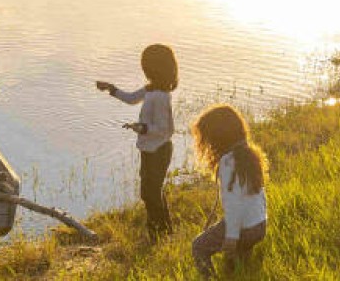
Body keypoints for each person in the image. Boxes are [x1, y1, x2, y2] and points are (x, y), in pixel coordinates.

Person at [96, 43, 178, 239]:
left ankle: (158, 234)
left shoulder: (160, 96)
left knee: (150, 193)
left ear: (153, 68)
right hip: (149, 149)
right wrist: (112, 89)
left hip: (159, 150)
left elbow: (166, 130)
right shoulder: (151, 89)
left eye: (145, 65)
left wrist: (142, 128)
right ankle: (164, 231)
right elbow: (132, 98)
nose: (143, 68)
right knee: (152, 191)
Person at [189, 104, 269, 278]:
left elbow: (233, 206)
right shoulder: (250, 155)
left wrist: (231, 237)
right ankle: (239, 269)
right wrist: (260, 220)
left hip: (244, 229)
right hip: (259, 226)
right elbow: (260, 195)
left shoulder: (227, 162)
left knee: (199, 246)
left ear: (219, 137)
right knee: (236, 265)